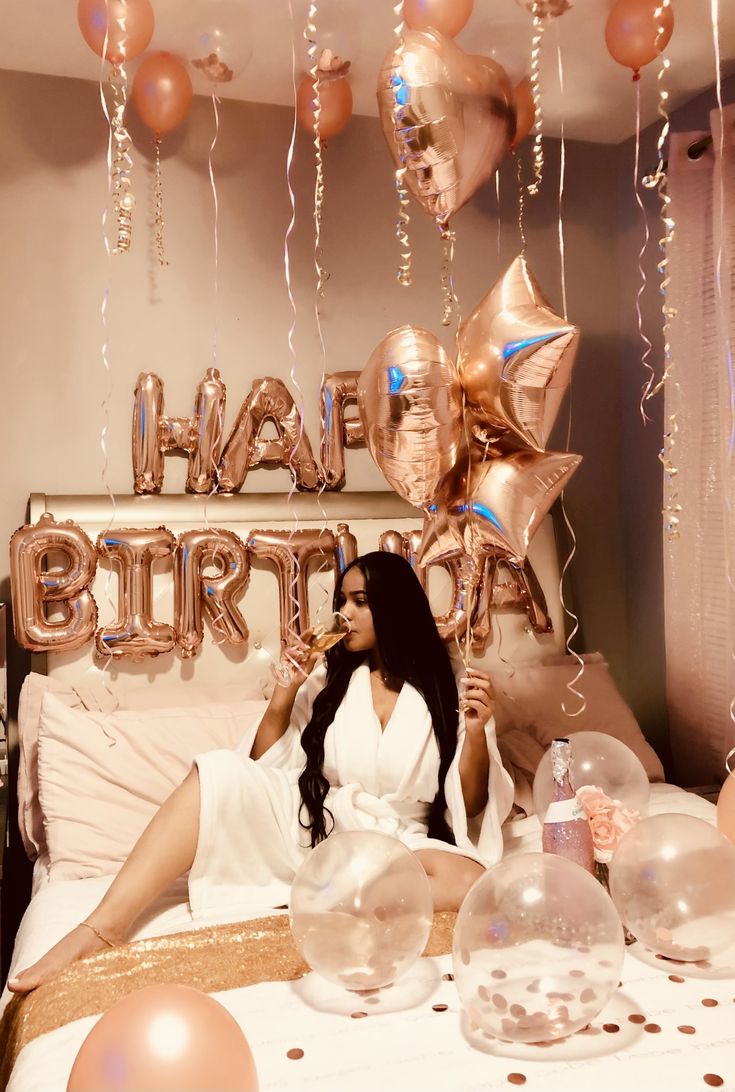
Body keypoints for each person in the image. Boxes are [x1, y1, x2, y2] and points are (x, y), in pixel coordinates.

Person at [9, 551, 513, 993]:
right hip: (327, 826)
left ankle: (335, 895)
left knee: (474, 881)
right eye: (343, 599)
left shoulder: (450, 688)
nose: (346, 612)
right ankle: (101, 928)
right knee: (218, 774)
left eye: (361, 601)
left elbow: (467, 805)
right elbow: (266, 769)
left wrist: (474, 732)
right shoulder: (327, 680)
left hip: (403, 842)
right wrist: (283, 697)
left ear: (395, 605)